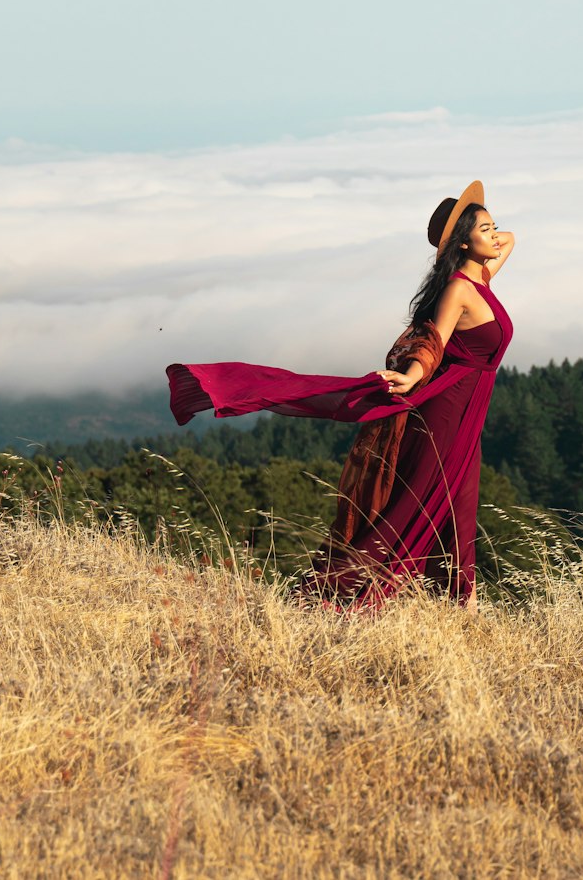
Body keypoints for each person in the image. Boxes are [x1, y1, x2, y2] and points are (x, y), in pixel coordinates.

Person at [166, 179, 515, 614]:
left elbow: (513, 241)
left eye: (493, 226)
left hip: (470, 410)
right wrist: (411, 375)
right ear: (462, 244)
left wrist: (480, 229)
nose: (497, 234)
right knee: (418, 503)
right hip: (447, 407)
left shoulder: (481, 276)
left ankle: (460, 602)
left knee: (461, 503)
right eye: (485, 229)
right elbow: (434, 342)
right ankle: (333, 592)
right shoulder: (459, 289)